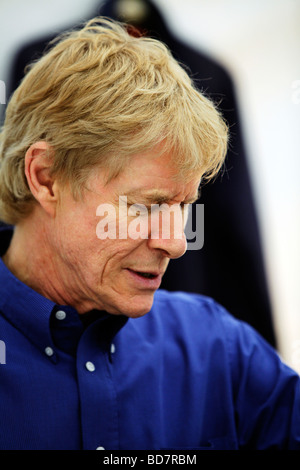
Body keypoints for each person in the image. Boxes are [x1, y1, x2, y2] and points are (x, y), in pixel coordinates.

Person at [0, 17, 298, 450]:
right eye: (145, 206)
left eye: (182, 207)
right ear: (46, 178)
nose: (176, 243)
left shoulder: (220, 350)